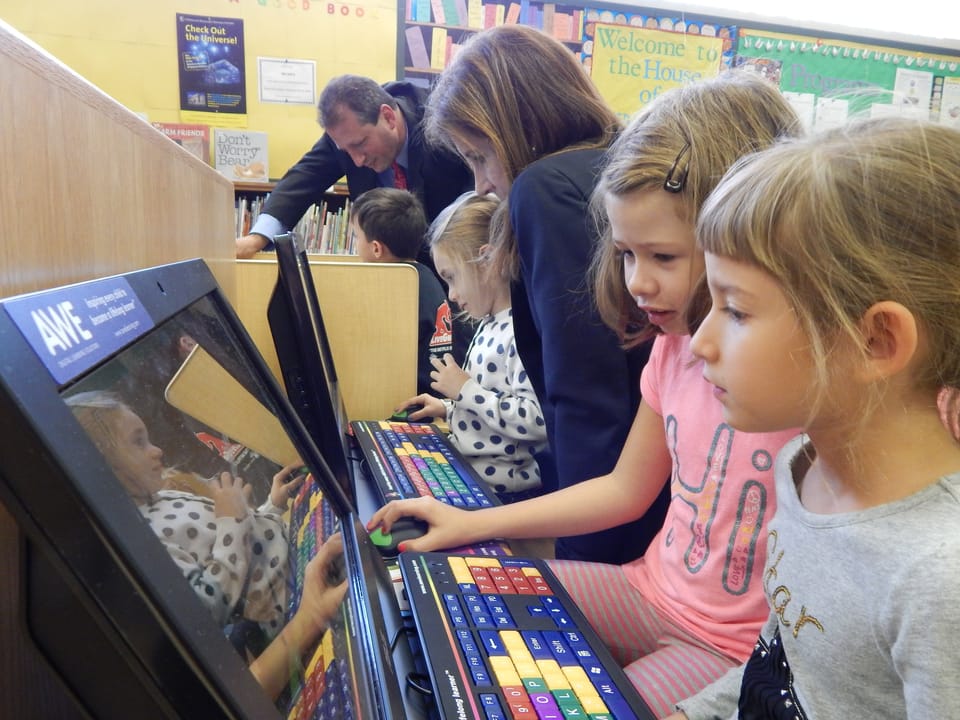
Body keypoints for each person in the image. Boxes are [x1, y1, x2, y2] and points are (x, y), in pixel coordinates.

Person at [370, 71, 804, 716]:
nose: (637, 285)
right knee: (455, 604)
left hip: (727, 648)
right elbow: (624, 489)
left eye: (662, 257)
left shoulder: (796, 384)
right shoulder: (672, 349)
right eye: (625, 255)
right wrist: (474, 523)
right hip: (643, 589)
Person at [669, 117, 960, 719]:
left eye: (737, 310)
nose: (699, 342)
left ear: (874, 341)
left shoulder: (938, 579)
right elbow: (780, 667)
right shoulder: (800, 468)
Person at [422, 24, 666, 563]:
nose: (482, 184)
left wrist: (579, 557)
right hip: (652, 489)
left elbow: (584, 392)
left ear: (519, 126)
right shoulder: (609, 160)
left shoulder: (545, 186)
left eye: (481, 155)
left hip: (609, 505)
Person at [65, 390, 306, 641]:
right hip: (292, 600)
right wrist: (232, 522)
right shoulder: (143, 538)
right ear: (103, 465)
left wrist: (273, 506)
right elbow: (209, 609)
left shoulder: (161, 497)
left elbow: (249, 545)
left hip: (296, 556)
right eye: (138, 442)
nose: (156, 450)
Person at [396, 191, 547, 501]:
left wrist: (465, 391)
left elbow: (536, 421)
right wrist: (449, 408)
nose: (450, 294)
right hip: (473, 479)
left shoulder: (518, 332)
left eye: (452, 277)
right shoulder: (489, 323)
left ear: (488, 261)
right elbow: (491, 403)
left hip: (502, 496)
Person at [235, 74, 472, 259]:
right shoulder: (346, 137)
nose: (357, 160)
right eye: (347, 151)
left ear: (389, 118)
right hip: (389, 274)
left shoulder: (440, 124)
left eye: (360, 144)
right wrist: (257, 238)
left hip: (453, 263)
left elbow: (478, 200)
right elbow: (301, 180)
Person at [349, 187, 457, 396]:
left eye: (356, 237)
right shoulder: (423, 275)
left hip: (415, 401)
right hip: (433, 393)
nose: (355, 245)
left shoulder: (394, 291)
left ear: (376, 249)